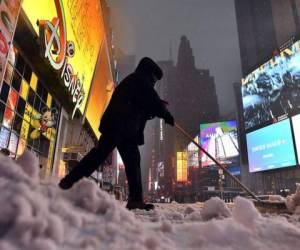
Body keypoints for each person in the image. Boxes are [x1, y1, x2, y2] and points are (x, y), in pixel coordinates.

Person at [59, 57, 174, 210]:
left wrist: (159, 108)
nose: (154, 82)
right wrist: (164, 112)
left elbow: (145, 105)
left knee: (132, 161)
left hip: (126, 130)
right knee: (99, 155)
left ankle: (135, 199)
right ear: (148, 73)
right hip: (117, 125)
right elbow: (149, 98)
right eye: (153, 78)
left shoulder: (139, 83)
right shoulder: (138, 80)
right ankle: (69, 182)